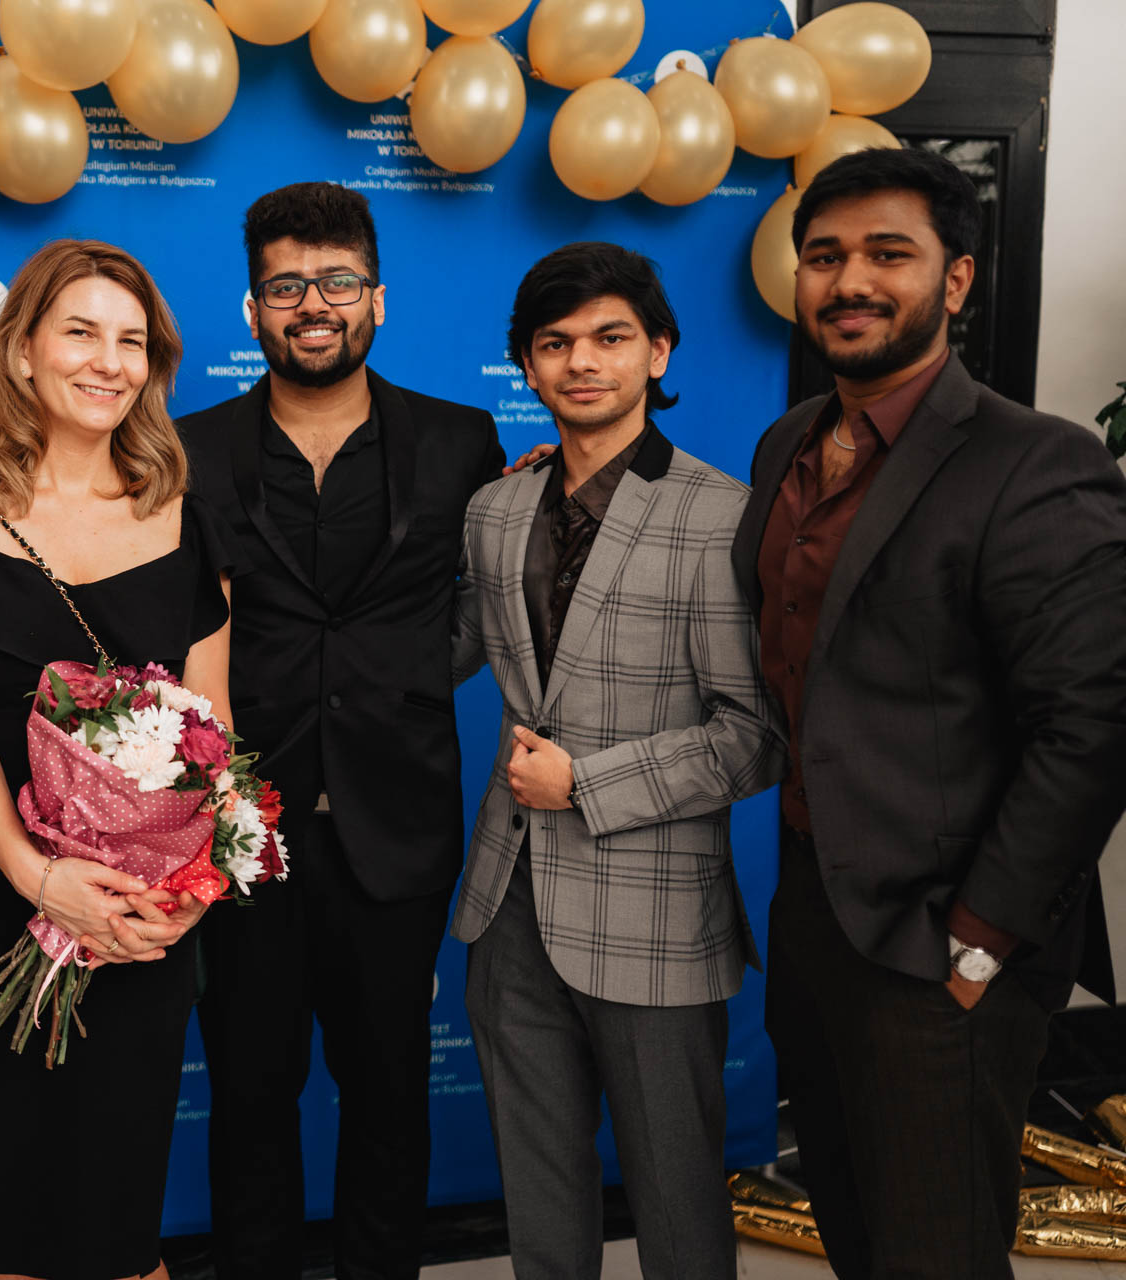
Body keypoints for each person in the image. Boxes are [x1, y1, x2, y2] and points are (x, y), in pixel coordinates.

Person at [732, 146, 1126, 1278]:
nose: (849, 281)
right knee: (856, 1233)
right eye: (824, 256)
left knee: (937, 1252)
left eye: (887, 254)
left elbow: (1093, 725)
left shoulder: (1036, 463)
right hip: (815, 916)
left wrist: (980, 942)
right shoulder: (788, 442)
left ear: (955, 280)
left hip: (946, 938)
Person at [0, 238, 241, 1280]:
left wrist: (185, 899)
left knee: (115, 1234)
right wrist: (38, 878)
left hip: (135, 923)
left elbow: (214, 726)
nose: (108, 361)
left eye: (132, 341)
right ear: (23, 351)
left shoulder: (192, 525)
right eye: (80, 332)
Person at [178, 181, 504, 1280]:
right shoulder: (187, 449)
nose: (312, 304)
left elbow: (491, 607)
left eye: (336, 282)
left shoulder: (461, 441)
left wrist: (396, 684)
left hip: (396, 826)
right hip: (239, 838)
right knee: (249, 1103)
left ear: (377, 298)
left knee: (389, 1102)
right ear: (253, 308)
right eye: (285, 287)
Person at [450, 242, 787, 1280]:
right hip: (509, 905)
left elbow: (755, 733)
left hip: (657, 916)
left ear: (658, 351)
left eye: (610, 337)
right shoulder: (495, 509)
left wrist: (586, 784)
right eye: (555, 343)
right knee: (540, 1203)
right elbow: (439, 653)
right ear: (526, 362)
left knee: (678, 1207)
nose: (582, 362)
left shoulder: (722, 515)